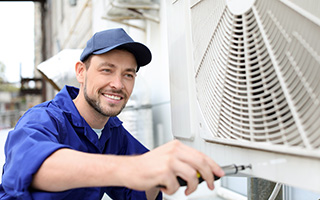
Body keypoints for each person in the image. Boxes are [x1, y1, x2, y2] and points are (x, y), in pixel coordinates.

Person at [0, 28, 224, 200]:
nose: (118, 84)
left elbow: (136, 194)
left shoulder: (114, 133)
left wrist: (159, 177)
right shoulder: (44, 119)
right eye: (106, 70)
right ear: (81, 72)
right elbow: (32, 168)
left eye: (128, 74)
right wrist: (135, 168)